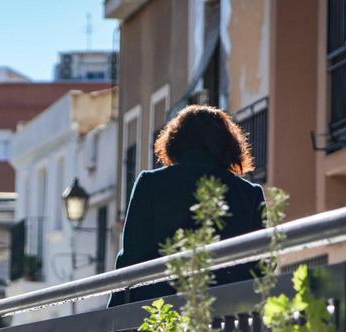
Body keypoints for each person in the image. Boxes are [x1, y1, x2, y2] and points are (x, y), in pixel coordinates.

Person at [109, 104, 265, 307]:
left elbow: (132, 255)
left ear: (175, 141)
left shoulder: (150, 184)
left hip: (158, 317)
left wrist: (114, 312)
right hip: (227, 316)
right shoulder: (249, 194)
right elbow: (261, 264)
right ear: (228, 144)